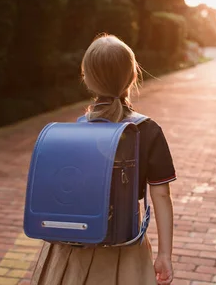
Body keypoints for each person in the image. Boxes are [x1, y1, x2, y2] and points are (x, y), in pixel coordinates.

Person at [30, 34, 176, 285]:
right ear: (132, 76)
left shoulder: (75, 131)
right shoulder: (148, 130)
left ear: (86, 78)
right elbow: (161, 195)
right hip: (125, 249)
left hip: (72, 250)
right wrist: (164, 254)